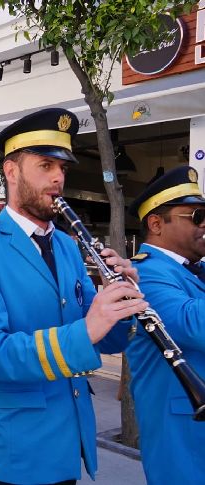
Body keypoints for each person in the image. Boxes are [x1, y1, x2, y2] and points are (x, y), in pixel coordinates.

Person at [0, 108, 145, 485]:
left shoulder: (69, 246)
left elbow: (108, 338)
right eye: (45, 165)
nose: (58, 177)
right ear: (11, 171)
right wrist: (87, 329)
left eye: (62, 168)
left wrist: (122, 301)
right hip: (22, 445)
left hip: (72, 435)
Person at [125, 165, 205, 485]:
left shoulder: (194, 269)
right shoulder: (143, 273)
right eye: (196, 217)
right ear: (156, 224)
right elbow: (192, 324)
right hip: (181, 433)